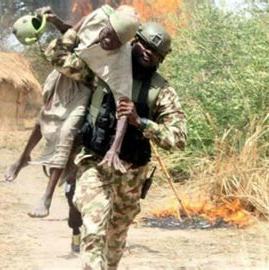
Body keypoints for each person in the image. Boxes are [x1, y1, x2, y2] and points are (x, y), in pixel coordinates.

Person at [4, 5, 140, 251]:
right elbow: (75, 36)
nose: (105, 39)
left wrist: (115, 148)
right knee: (43, 119)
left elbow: (123, 106)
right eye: (106, 32)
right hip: (65, 74)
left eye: (112, 40)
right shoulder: (99, 17)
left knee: (67, 133)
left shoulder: (120, 64)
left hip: (84, 85)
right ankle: (22, 158)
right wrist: (57, 22)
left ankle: (47, 196)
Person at [71, 22, 187, 269]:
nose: (148, 52)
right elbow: (59, 57)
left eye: (155, 51)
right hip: (96, 163)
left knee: (115, 240)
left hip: (131, 176)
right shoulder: (104, 69)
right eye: (145, 45)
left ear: (161, 58)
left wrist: (142, 122)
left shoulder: (162, 91)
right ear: (134, 42)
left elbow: (178, 139)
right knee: (93, 230)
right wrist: (73, 28)